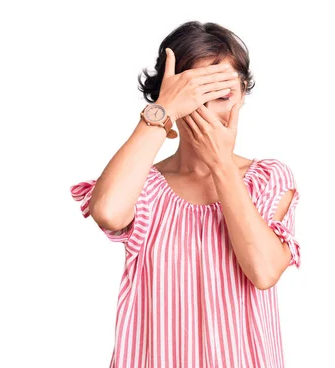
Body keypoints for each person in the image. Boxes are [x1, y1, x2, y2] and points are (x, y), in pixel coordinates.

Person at [69, 21, 301, 368]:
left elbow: (264, 271)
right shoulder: (144, 185)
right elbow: (109, 211)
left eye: (223, 92)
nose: (209, 107)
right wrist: (162, 112)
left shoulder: (266, 179)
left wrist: (221, 163)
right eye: (196, 92)